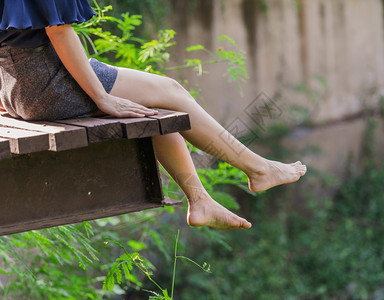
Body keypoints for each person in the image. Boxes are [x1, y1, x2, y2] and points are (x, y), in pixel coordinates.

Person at [0, 0, 307, 230]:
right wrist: (102, 97)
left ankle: (201, 201)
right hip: (48, 82)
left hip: (17, 88)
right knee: (172, 91)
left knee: (155, 111)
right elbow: (59, 30)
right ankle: (258, 169)